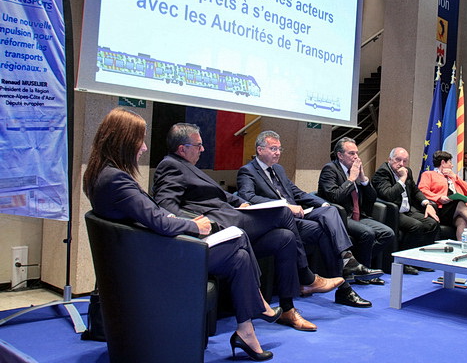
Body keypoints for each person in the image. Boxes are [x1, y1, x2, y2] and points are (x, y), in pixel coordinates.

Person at [83, 108, 275, 361]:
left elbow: (151, 216)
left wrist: (174, 219)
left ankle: (246, 330)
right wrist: (195, 226)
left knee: (239, 257)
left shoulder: (102, 175)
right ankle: (256, 302)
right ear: (124, 141)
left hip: (145, 252)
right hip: (155, 258)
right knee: (238, 236)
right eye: (140, 140)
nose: (143, 147)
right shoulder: (116, 180)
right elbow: (159, 222)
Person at [153, 123, 343, 332]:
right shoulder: (170, 165)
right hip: (222, 225)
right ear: (182, 148)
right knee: (282, 212)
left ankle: (288, 309)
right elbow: (165, 206)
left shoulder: (188, 166)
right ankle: (306, 277)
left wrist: (240, 203)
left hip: (233, 216)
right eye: (198, 145)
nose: (203, 149)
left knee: (285, 237)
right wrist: (194, 223)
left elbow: (220, 195)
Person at [237, 130, 383, 308]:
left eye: (279, 148)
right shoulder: (247, 171)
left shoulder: (278, 169)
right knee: (325, 232)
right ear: (260, 150)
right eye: (273, 148)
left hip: (298, 215)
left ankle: (346, 259)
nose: (277, 152)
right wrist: (284, 206)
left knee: (330, 213)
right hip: (277, 221)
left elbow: (297, 192)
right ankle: (344, 286)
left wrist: (323, 204)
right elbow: (247, 197)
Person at [317, 137, 395, 285]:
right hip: (340, 217)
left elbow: (371, 198)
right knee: (368, 233)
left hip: (359, 215)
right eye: (351, 153)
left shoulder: (355, 171)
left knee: (387, 233)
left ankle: (358, 267)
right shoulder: (330, 170)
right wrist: (351, 179)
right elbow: (335, 197)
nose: (356, 157)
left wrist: (363, 178)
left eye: (357, 153)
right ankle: (362, 273)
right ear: (340, 155)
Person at [371, 147, 441, 275]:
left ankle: (419, 261)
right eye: (398, 160)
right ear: (389, 159)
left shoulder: (407, 171)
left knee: (432, 223)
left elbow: (415, 191)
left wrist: (427, 203)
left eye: (404, 161)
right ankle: (404, 262)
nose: (401, 164)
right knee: (416, 226)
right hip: (393, 212)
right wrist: (402, 179)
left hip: (407, 210)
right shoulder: (382, 173)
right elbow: (388, 195)